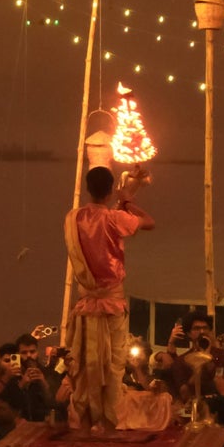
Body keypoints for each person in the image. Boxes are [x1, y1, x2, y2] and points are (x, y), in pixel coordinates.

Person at [64, 165, 154, 432]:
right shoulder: (115, 218)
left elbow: (100, 218)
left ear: (88, 187)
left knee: (86, 365)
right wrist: (128, 200)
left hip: (86, 304)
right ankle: (110, 422)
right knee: (112, 366)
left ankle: (84, 419)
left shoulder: (72, 217)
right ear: (110, 188)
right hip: (112, 304)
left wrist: (121, 200)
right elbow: (148, 222)